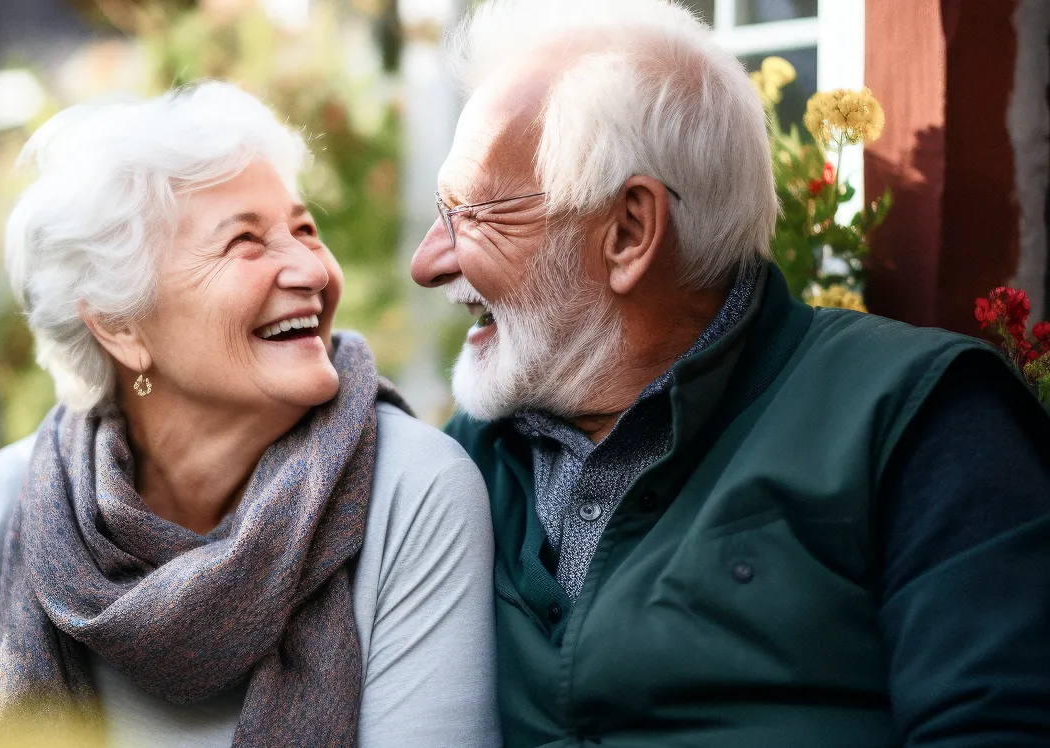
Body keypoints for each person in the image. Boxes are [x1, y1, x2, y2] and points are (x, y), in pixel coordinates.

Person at [410, 1, 1050, 746]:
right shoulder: (460, 463)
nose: (428, 262)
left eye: (472, 215)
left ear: (628, 232)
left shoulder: (920, 421)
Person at [0, 82, 500, 748]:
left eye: (304, 229)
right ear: (121, 326)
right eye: (246, 243)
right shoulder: (1, 510)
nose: (309, 268)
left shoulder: (414, 490)